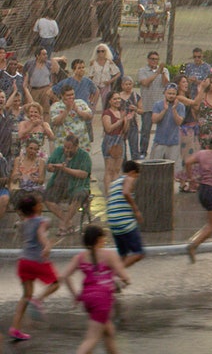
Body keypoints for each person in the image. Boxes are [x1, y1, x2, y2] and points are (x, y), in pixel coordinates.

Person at [58, 224, 130, 354]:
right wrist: (122, 282)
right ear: (99, 239)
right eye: (103, 237)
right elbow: (124, 277)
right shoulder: (109, 255)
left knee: (108, 331)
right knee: (91, 339)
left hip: (88, 298)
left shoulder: (79, 257)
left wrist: (75, 295)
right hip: (102, 300)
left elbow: (64, 276)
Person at [9, 193, 59, 341]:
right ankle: (39, 300)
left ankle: (15, 328)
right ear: (36, 207)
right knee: (56, 283)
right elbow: (40, 233)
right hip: (37, 261)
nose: (41, 203)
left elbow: (26, 233)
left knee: (25, 296)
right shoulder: (43, 220)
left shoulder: (22, 223)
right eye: (39, 202)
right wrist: (47, 246)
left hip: (23, 262)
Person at [45, 134, 93, 236]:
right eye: (65, 147)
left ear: (76, 146)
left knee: (78, 197)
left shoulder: (84, 156)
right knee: (48, 199)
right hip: (59, 183)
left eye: (69, 148)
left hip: (78, 185)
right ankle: (67, 221)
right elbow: (49, 165)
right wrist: (51, 167)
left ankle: (63, 224)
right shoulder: (59, 151)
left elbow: (84, 174)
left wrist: (65, 169)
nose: (66, 150)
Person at [106, 160, 145, 268]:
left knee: (123, 255)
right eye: (136, 176)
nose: (135, 179)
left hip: (113, 222)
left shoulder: (114, 183)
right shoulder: (129, 178)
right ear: (132, 172)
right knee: (139, 253)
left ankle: (113, 276)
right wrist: (136, 210)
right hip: (124, 222)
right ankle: (115, 274)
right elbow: (126, 192)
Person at [134, 51, 168, 158]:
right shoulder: (142, 71)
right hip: (147, 106)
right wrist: (157, 72)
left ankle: (162, 151)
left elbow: (166, 84)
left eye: (156, 59)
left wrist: (162, 72)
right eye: (152, 59)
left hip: (160, 106)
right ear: (148, 60)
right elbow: (145, 83)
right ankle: (143, 152)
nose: (154, 61)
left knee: (162, 130)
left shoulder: (164, 70)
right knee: (145, 131)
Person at [99, 93, 129, 195]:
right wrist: (121, 120)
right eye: (114, 99)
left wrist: (126, 120)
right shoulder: (107, 113)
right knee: (109, 169)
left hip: (120, 140)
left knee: (117, 170)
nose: (117, 101)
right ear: (110, 101)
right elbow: (108, 128)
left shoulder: (121, 112)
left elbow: (125, 130)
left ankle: (115, 193)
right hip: (110, 140)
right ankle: (108, 194)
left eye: (119, 99)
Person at [150, 84, 185, 164]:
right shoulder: (158, 104)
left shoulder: (181, 106)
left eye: (173, 94)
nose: (171, 96)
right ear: (165, 93)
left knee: (173, 167)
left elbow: (179, 122)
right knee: (156, 166)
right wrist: (164, 110)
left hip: (174, 142)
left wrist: (174, 110)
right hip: (159, 141)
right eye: (169, 93)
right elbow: (154, 120)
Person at [86, 46, 120, 112]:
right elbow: (90, 75)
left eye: (102, 51)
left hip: (106, 85)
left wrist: (110, 81)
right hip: (95, 86)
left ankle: (106, 118)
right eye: (98, 51)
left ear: (106, 52)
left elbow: (118, 73)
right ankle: (90, 119)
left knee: (106, 104)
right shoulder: (93, 62)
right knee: (92, 104)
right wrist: (90, 86)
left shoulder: (109, 62)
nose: (100, 53)